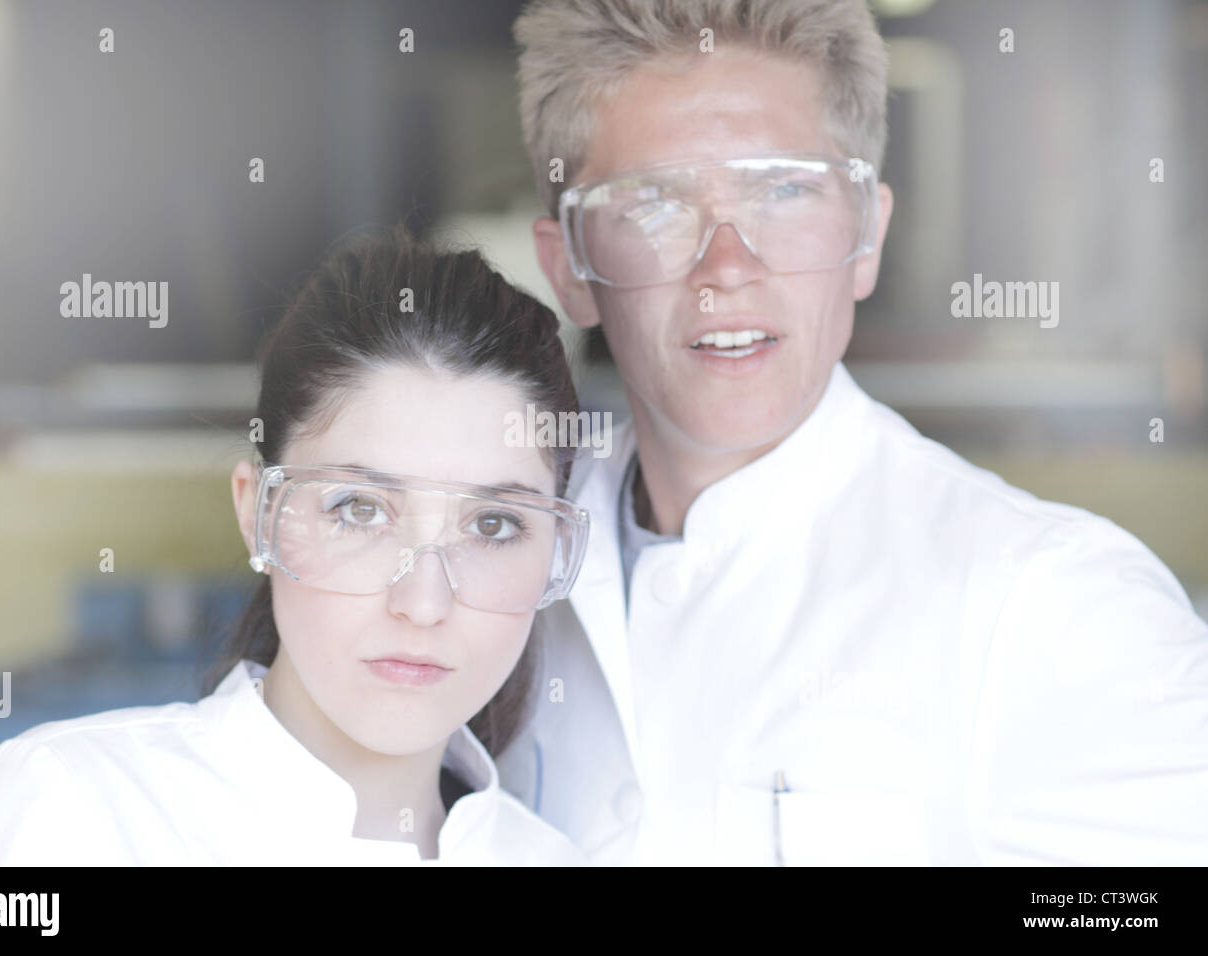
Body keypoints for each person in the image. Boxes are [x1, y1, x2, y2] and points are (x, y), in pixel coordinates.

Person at [495, 0, 1208, 865]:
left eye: (784, 189)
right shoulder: (483, 573)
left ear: (866, 233)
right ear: (569, 266)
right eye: (654, 201)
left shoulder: (1058, 609)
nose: (728, 266)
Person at [0, 227, 590, 866]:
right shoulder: (72, 814)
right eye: (359, 510)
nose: (422, 603)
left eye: (495, 525)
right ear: (257, 512)